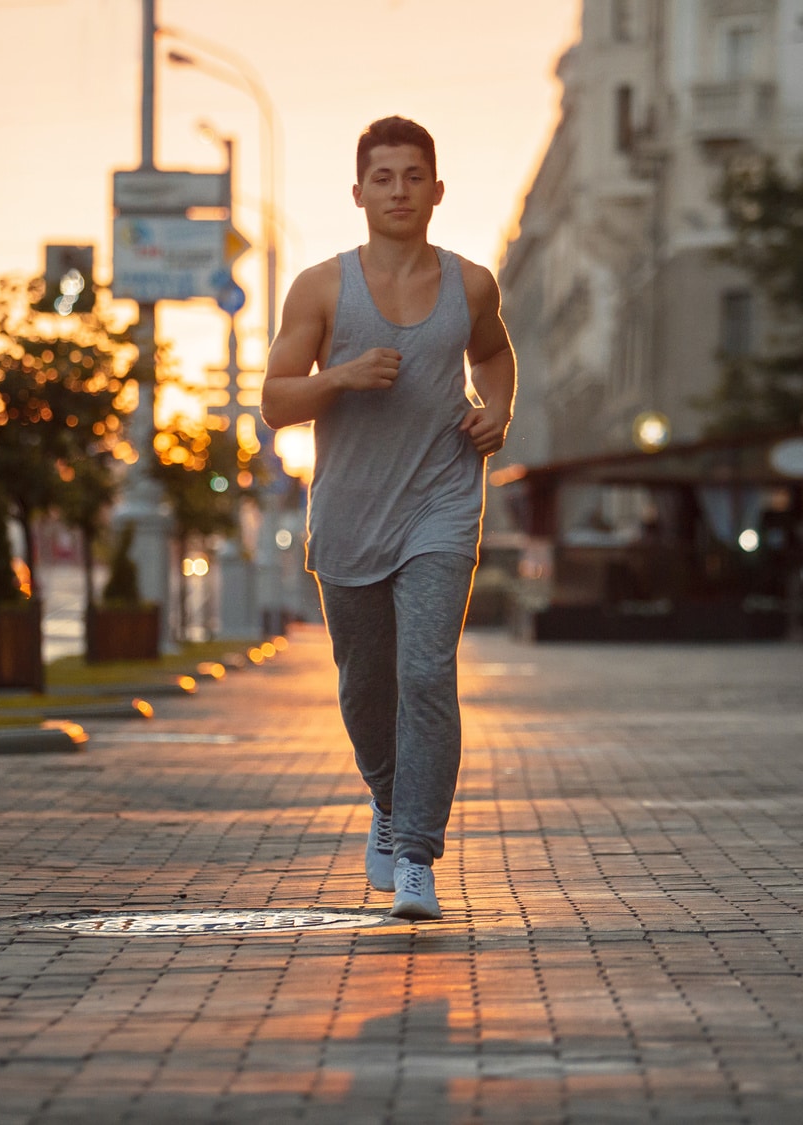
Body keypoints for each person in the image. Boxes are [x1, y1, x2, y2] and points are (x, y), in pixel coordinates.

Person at [260, 115, 516, 921]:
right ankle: (388, 797)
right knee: (365, 688)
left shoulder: (470, 282)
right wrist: (339, 377)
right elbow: (274, 402)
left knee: (427, 674)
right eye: (383, 177)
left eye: (413, 176)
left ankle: (415, 856)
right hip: (349, 513)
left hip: (442, 498)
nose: (399, 190)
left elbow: (495, 353)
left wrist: (498, 411)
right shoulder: (322, 287)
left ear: (437, 191)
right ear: (359, 192)